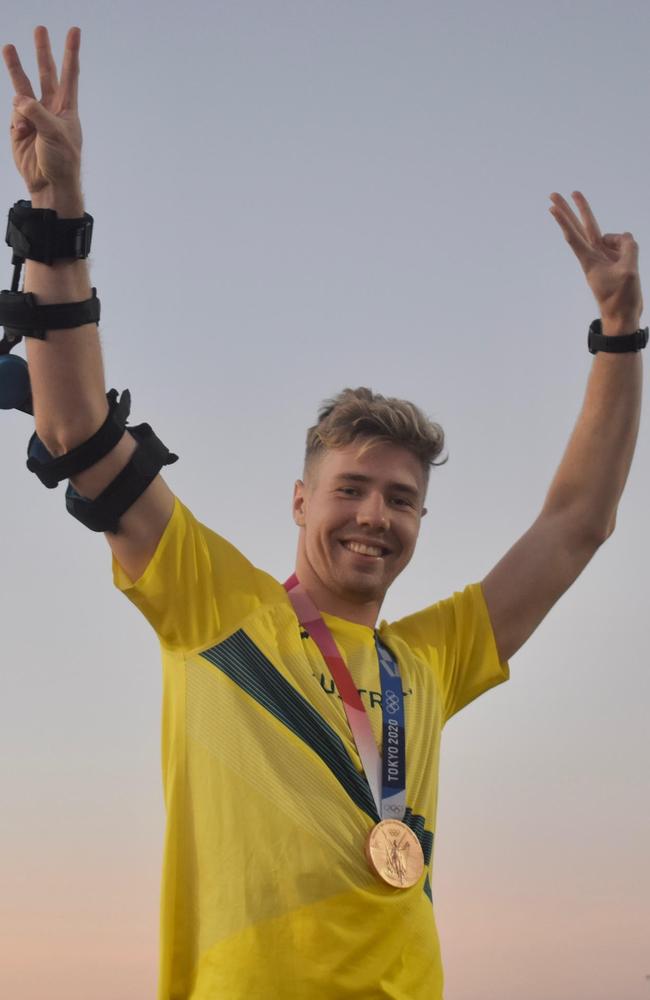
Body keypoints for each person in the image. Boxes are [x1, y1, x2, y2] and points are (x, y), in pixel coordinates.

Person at [2, 25, 645, 1000]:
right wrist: (58, 205)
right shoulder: (215, 601)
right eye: (350, 488)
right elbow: (77, 428)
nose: (372, 516)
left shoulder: (430, 659)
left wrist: (619, 335)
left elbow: (575, 523)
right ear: (299, 498)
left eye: (401, 499)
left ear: (421, 520)